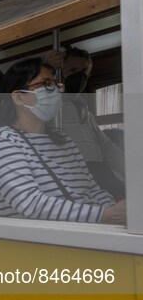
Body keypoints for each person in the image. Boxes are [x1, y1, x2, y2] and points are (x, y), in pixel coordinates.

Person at [0, 57, 125, 224]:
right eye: (46, 84)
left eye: (55, 84)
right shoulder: (3, 140)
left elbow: (92, 189)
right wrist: (104, 215)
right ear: (19, 97)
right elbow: (30, 204)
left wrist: (115, 211)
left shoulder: (64, 140)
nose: (56, 91)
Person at [47, 47, 125, 199]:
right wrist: (47, 66)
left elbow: (108, 148)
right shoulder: (51, 105)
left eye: (84, 71)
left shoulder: (85, 111)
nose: (79, 76)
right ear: (60, 73)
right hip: (72, 180)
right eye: (73, 70)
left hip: (96, 176)